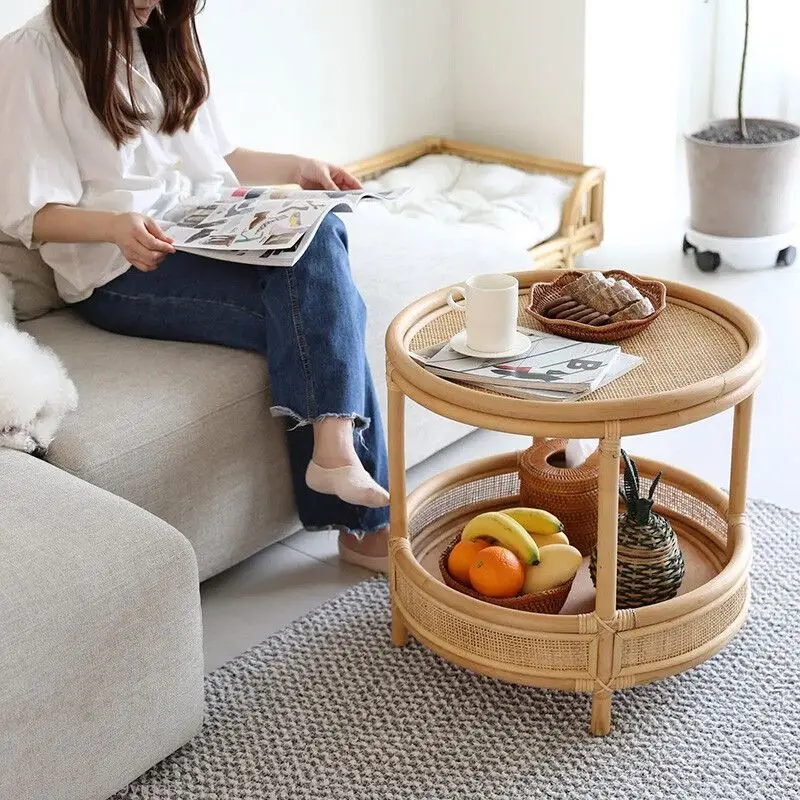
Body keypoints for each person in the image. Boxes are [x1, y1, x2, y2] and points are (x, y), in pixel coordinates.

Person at [0, 0, 391, 572]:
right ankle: (364, 526)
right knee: (327, 316)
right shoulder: (31, 56)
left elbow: (218, 154)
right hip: (121, 267)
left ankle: (334, 455)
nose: (155, 6)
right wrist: (114, 226)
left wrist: (298, 167)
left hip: (203, 230)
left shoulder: (162, 32)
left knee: (319, 231)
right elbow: (30, 214)